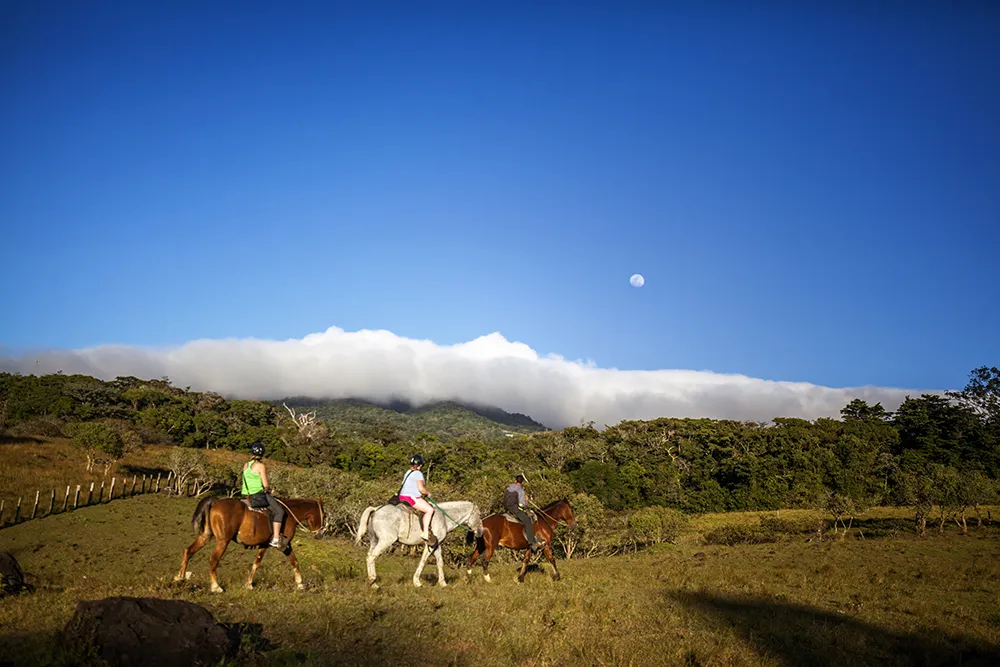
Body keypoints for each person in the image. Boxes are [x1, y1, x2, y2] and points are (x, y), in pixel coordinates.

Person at [241, 441, 286, 548]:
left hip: (246, 495)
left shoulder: (246, 465)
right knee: (280, 511)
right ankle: (275, 538)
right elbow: (265, 485)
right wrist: (269, 490)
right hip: (257, 495)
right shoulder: (261, 466)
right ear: (262, 454)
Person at [398, 454, 435, 543]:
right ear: (420, 465)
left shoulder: (408, 472)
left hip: (401, 496)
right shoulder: (418, 474)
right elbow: (421, 489)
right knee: (429, 509)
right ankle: (425, 533)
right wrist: (428, 493)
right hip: (411, 497)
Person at [504, 474, 545, 550]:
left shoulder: (508, 488)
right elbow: (522, 504)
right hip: (515, 510)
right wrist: (526, 500)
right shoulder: (520, 491)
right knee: (528, 521)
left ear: (515, 481)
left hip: (507, 508)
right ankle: (532, 542)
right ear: (522, 483)